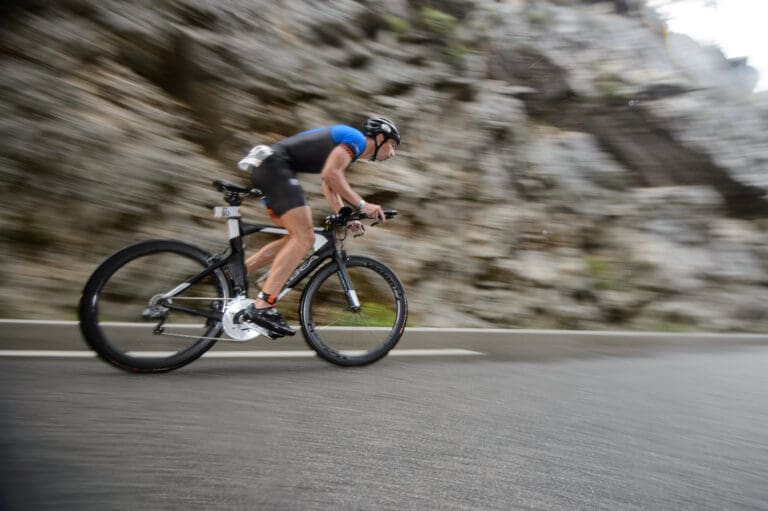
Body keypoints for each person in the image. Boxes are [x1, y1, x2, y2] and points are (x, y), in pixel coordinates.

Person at [240, 116, 401, 336]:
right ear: (380, 138)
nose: (392, 154)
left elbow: (329, 186)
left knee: (294, 237)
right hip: (275, 166)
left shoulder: (350, 150)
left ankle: (235, 273)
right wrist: (362, 204)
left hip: (269, 167)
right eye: (392, 146)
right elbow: (331, 174)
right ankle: (263, 306)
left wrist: (347, 216)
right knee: (304, 238)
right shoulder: (356, 139)